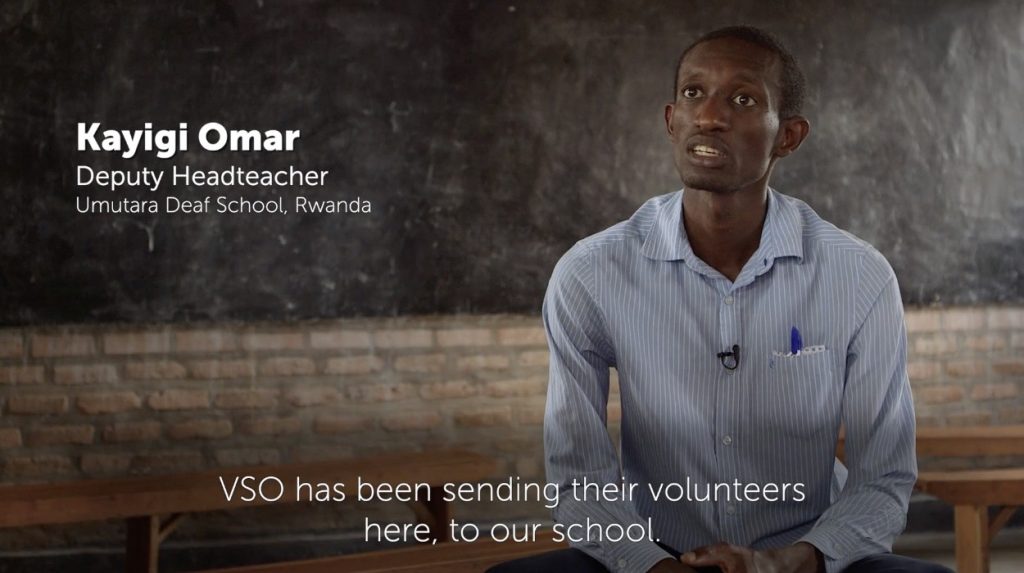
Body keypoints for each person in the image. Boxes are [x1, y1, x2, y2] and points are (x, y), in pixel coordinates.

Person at [488, 26, 952, 573]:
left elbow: (883, 479)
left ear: (789, 137)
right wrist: (654, 566)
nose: (709, 115)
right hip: (654, 552)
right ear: (670, 120)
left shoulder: (858, 276)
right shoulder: (591, 273)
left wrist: (785, 563)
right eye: (693, 93)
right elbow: (578, 475)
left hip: (802, 557)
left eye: (742, 98)